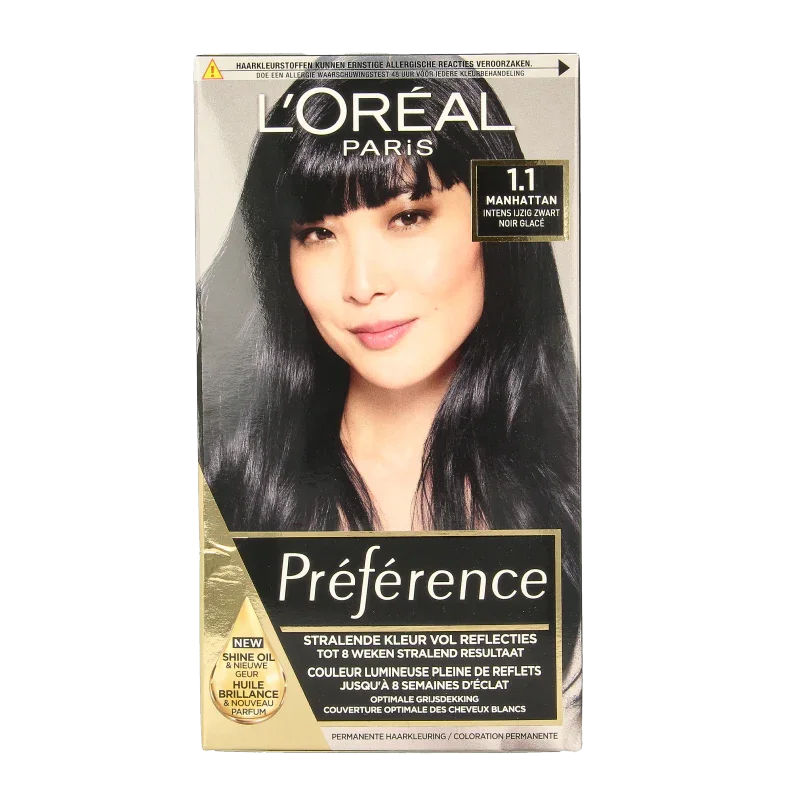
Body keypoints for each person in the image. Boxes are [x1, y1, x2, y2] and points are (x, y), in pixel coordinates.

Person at [198, 62, 581, 724]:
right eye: (318, 233)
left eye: (408, 216)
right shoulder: (219, 482)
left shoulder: (568, 482)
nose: (362, 284)